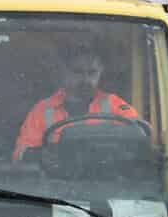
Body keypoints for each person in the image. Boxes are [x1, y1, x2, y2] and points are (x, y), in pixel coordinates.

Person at [11, 40, 139, 161]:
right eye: (78, 72)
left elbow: (140, 131)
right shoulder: (43, 109)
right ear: (64, 72)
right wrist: (41, 156)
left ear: (101, 73)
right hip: (56, 182)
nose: (86, 80)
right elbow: (20, 152)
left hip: (106, 180)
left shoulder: (113, 103)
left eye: (92, 73)